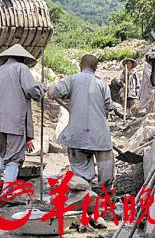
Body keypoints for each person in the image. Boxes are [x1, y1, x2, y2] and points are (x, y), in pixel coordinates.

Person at [47, 54, 115, 190]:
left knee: (81, 169)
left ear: (81, 65)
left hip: (77, 134)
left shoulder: (72, 79)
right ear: (96, 68)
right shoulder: (102, 83)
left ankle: (85, 190)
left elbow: (53, 92)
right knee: (106, 165)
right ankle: (105, 193)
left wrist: (49, 90)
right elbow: (108, 105)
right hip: (100, 135)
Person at [0, 44, 43, 189]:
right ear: (22, 59)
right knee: (14, 157)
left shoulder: (0, 70)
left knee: (3, 152)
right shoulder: (21, 69)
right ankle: (7, 190)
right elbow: (30, 89)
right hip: (13, 120)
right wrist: (40, 91)